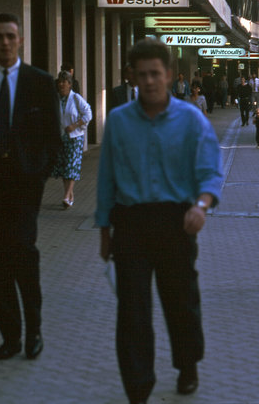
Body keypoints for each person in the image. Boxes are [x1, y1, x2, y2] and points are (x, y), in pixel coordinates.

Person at [96, 38, 223, 404]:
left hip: (176, 221)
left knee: (180, 300)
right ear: (132, 78)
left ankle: (187, 364)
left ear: (169, 75)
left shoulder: (190, 119)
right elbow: (106, 179)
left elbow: (210, 170)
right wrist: (104, 229)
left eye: (156, 73)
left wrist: (201, 205)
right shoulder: (119, 122)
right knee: (133, 308)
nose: (150, 81)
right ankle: (138, 384)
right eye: (142, 75)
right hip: (131, 224)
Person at [0, 13, 61, 361]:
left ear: (20, 41)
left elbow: (53, 138)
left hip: (23, 190)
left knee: (24, 257)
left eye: (10, 36)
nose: (4, 42)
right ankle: (10, 337)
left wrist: (38, 178)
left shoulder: (40, 82)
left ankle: (34, 332)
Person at [53, 70, 93, 209]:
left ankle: (66, 196)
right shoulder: (56, 99)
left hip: (75, 138)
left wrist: (75, 125)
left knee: (71, 166)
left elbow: (88, 114)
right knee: (65, 168)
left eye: (64, 82)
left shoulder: (76, 98)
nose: (61, 84)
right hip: (61, 138)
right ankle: (69, 195)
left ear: (70, 84)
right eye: (60, 82)